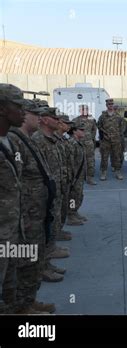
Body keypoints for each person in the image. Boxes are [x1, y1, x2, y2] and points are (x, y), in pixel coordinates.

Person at [8, 99, 56, 314]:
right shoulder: (15, 141)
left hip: (35, 212)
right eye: (34, 114)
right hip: (23, 216)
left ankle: (28, 300)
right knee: (24, 261)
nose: (39, 117)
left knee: (33, 258)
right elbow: (13, 181)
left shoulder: (26, 139)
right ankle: (21, 307)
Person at [32, 107, 70, 282]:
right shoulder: (38, 140)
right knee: (43, 230)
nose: (58, 121)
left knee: (51, 225)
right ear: (45, 120)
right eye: (55, 118)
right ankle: (41, 268)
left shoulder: (51, 139)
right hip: (43, 192)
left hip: (54, 188)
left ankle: (46, 263)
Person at [0, 83, 28, 313]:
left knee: (11, 279)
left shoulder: (10, 141)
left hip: (11, 230)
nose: (23, 112)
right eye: (17, 106)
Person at [97, 98, 125, 180]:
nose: (111, 106)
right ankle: (103, 172)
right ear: (106, 105)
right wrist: (103, 134)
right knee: (104, 157)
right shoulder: (102, 116)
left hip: (116, 140)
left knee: (117, 156)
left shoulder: (118, 116)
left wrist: (118, 135)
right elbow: (99, 126)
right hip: (105, 140)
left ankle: (118, 172)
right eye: (109, 104)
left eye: (112, 104)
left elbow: (122, 127)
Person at [67, 123, 88, 228]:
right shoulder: (72, 143)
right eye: (81, 129)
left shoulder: (78, 143)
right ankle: (70, 215)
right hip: (74, 176)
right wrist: (72, 177)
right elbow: (70, 162)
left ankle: (74, 212)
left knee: (78, 195)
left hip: (79, 175)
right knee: (73, 196)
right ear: (74, 131)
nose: (83, 131)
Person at [72, 105, 97, 185]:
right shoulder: (75, 120)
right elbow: (72, 131)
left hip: (89, 143)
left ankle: (90, 178)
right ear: (80, 110)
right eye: (82, 109)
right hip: (78, 143)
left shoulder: (91, 120)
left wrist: (91, 138)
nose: (84, 111)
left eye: (86, 109)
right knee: (78, 160)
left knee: (90, 161)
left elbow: (94, 130)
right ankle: (79, 177)